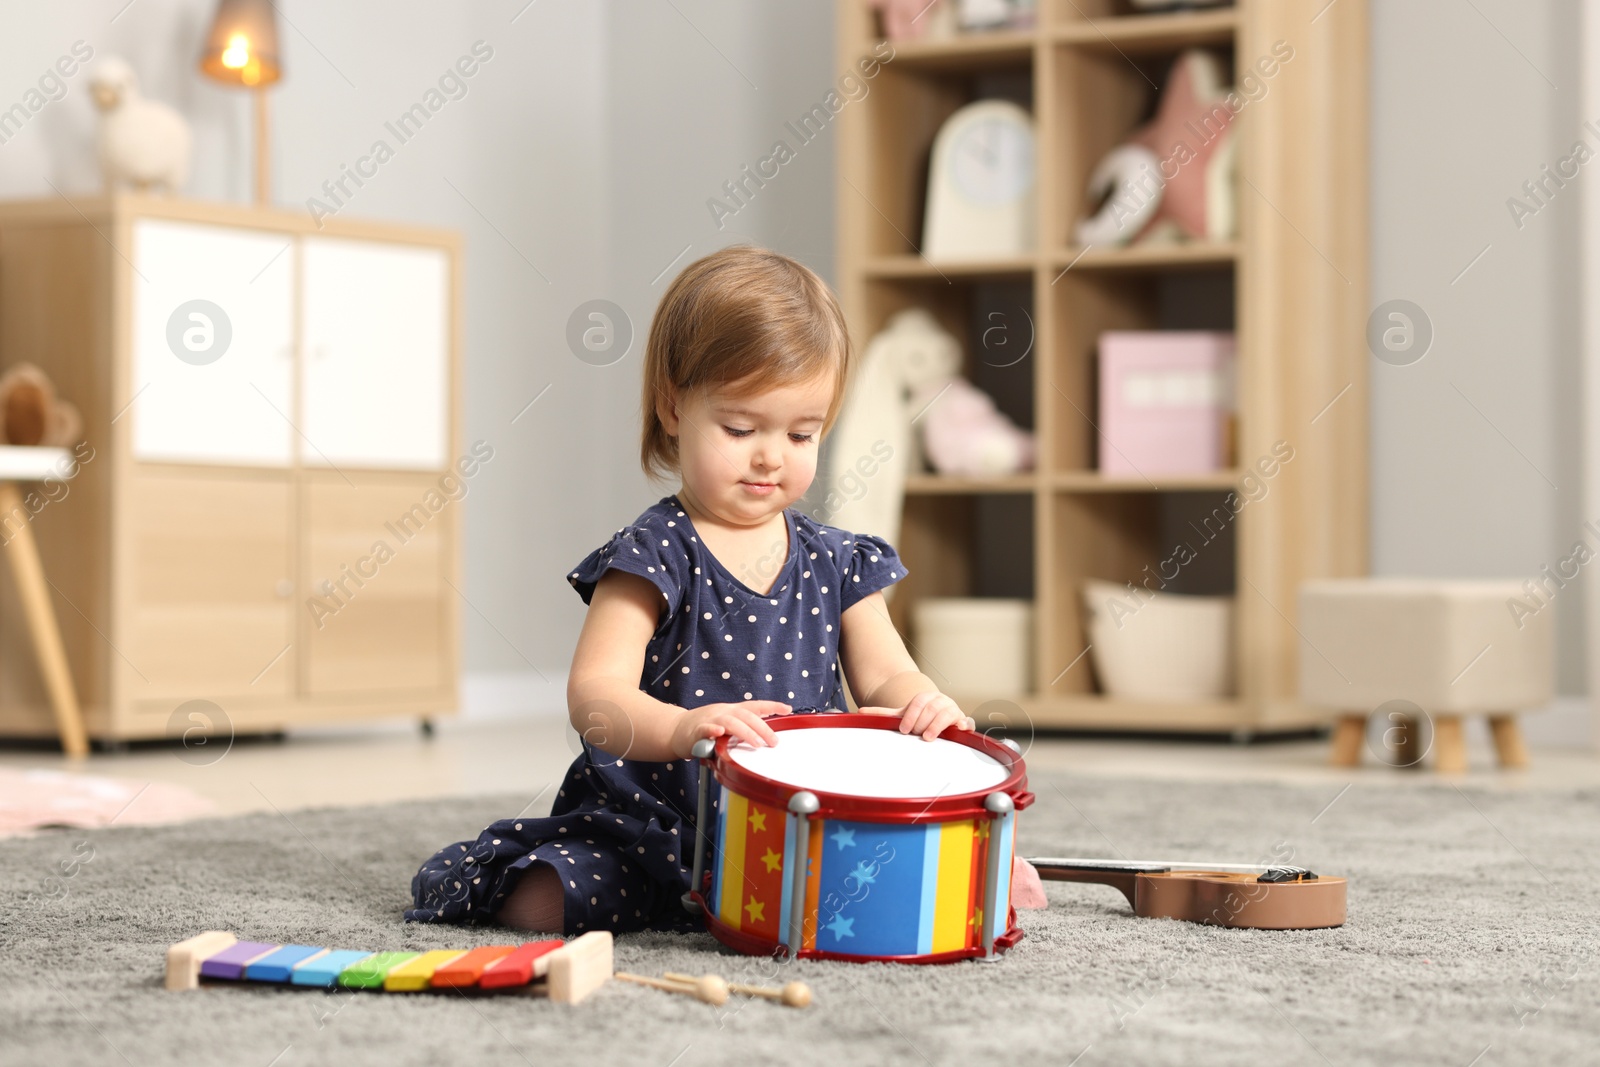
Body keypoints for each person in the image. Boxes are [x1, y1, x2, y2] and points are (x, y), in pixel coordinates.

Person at [405, 244, 987, 936]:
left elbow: (886, 672)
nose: (771, 453)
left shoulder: (840, 560)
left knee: (937, 873)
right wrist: (683, 729)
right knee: (554, 898)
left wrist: (922, 705)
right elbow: (596, 698)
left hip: (796, 820)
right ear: (674, 407)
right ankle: (633, 887)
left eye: (803, 433)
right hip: (653, 822)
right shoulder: (654, 553)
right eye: (741, 428)